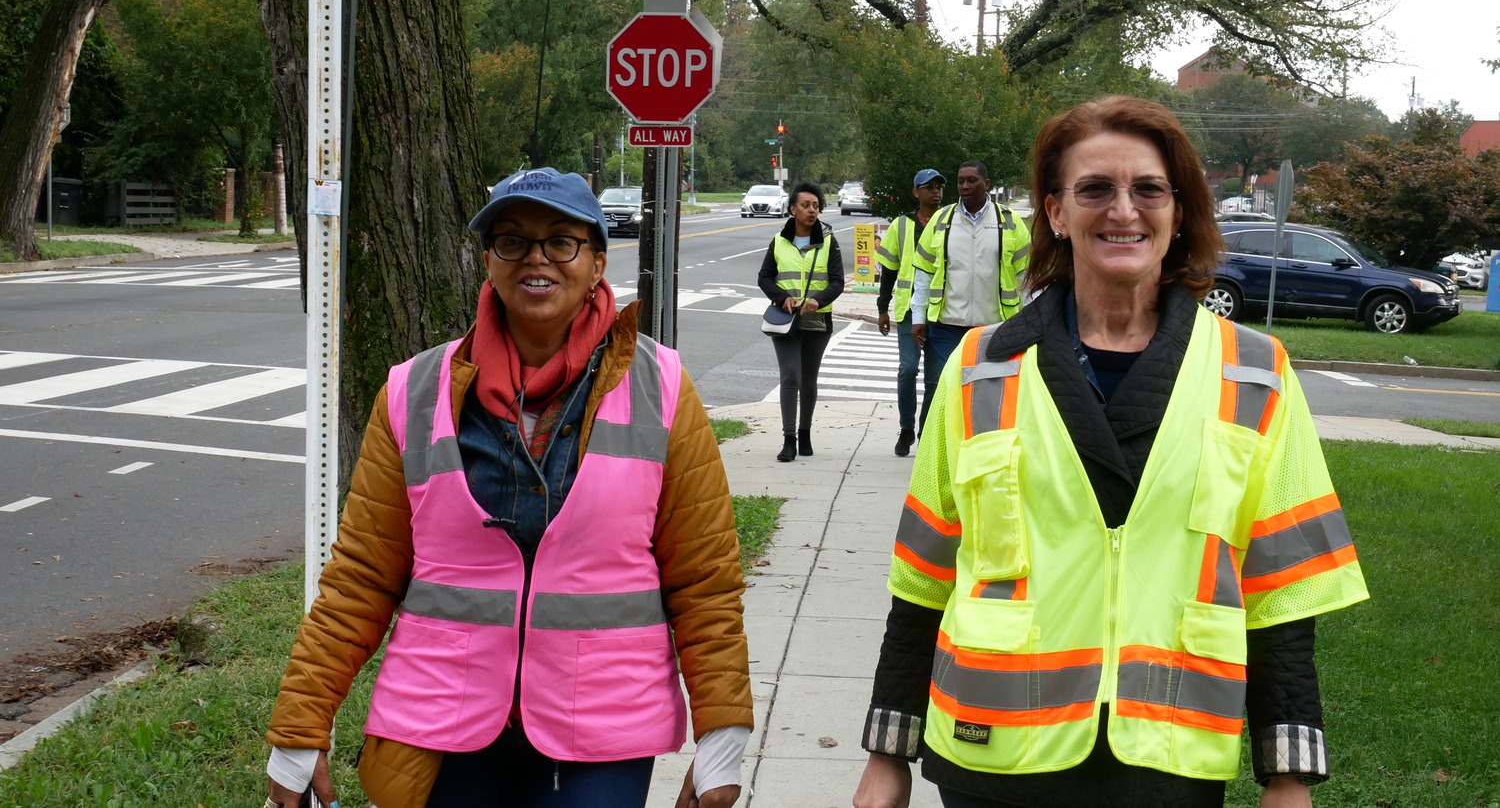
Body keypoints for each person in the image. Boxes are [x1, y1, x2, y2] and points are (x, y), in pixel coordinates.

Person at [853, 97, 1370, 808]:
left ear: (1178, 212)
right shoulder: (978, 370)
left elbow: (1281, 594)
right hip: (991, 753)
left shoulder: (1255, 373)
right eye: (1095, 188)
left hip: (1168, 760)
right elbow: (922, 582)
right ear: (1056, 214)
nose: (1123, 210)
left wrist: (1288, 776)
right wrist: (888, 752)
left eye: (1148, 189)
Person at [263, 168, 752, 808]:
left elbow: (704, 578)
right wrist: (300, 727)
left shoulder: (661, 389)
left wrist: (723, 738)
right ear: (489, 261)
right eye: (512, 240)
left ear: (599, 260)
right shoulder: (412, 392)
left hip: (602, 727)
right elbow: (361, 577)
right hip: (444, 723)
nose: (536, 257)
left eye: (561, 240)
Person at [908, 161, 1030, 429]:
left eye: (972, 180)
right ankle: (929, 449)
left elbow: (1027, 277)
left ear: (986, 185)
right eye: (961, 180)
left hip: (994, 327)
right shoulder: (942, 220)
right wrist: (918, 317)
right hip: (946, 327)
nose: (964, 186)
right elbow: (924, 275)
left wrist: (1028, 321)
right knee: (940, 389)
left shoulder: (1009, 222)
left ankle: (977, 451)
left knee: (989, 394)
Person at [757, 181, 845, 463]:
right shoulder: (779, 241)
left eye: (816, 206)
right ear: (792, 209)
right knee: (790, 376)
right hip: (785, 320)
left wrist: (818, 300)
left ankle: (805, 432)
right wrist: (781, 297)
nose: (811, 210)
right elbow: (765, 277)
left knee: (808, 379)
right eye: (806, 205)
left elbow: (838, 282)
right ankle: (789, 438)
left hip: (817, 321)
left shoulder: (829, 241)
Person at [875, 169, 946, 455]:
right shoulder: (901, 225)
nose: (936, 191)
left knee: (934, 378)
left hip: (940, 312)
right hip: (907, 311)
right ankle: (906, 428)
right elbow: (889, 270)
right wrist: (882, 308)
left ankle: (925, 431)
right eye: (928, 187)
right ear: (916, 192)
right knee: (907, 369)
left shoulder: (949, 221)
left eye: (939, 186)